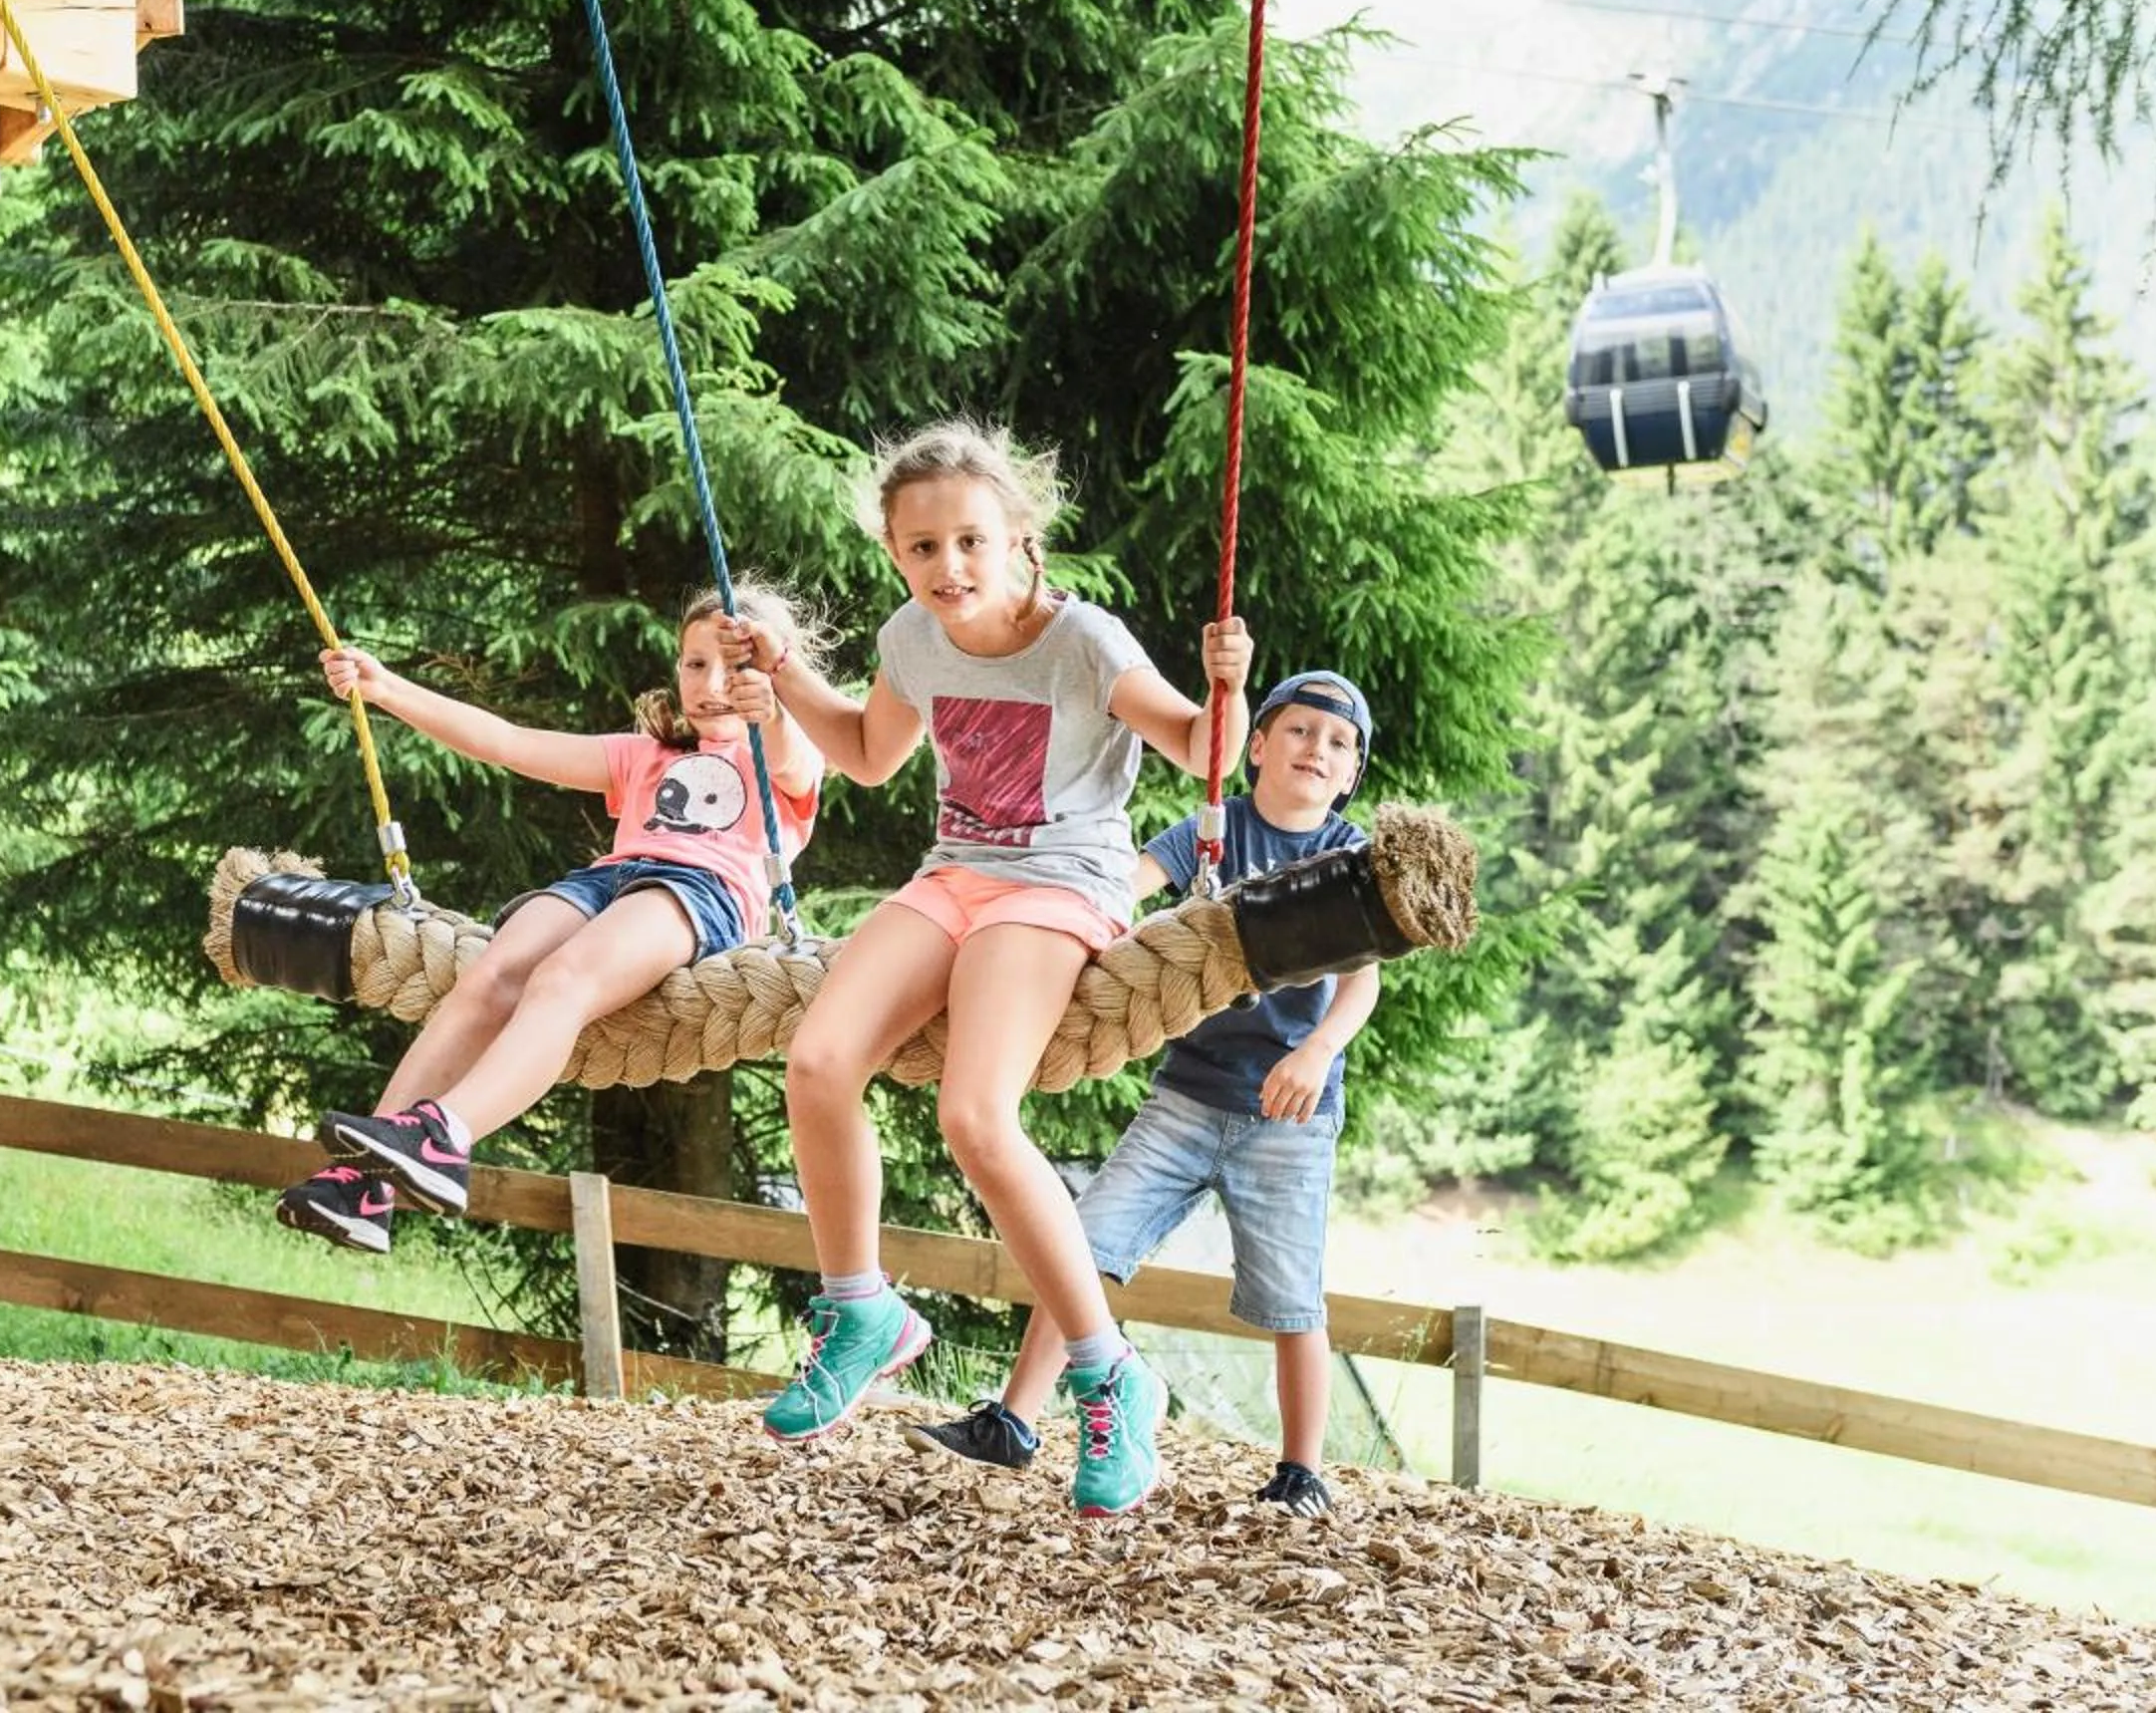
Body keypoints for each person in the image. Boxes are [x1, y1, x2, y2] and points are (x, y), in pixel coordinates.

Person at [721, 419, 1250, 1517]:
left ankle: (1109, 1372)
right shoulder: (913, 637)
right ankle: (862, 1307)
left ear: (1018, 538)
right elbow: (868, 754)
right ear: (894, 552)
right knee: (818, 1061)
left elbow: (1204, 751)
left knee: (974, 1114)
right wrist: (785, 673)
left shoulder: (1084, 641)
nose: (948, 566)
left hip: (1061, 882)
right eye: (923, 547)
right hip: (956, 873)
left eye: (970, 541)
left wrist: (1229, 690)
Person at [904, 671, 1381, 1518]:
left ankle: (1301, 1470)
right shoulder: (1215, 830)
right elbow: (1124, 887)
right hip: (1187, 1096)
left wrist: (1317, 1052)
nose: (1318, 749)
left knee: (1291, 1297)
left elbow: (1361, 982)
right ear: (1257, 746)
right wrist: (1071, 934)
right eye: (1300, 730)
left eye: (1338, 743)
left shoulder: (1349, 857)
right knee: (1083, 1246)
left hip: (1288, 1114)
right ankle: (1015, 1421)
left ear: (1351, 775)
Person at [277, 585, 825, 1254]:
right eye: (695, 664)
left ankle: (445, 1136)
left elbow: (791, 751)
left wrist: (773, 700)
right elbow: (508, 742)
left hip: (699, 893)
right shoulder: (645, 754)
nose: (711, 685)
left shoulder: (781, 758)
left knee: (562, 979)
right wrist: (386, 688)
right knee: (492, 974)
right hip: (608, 881)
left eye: (735, 668)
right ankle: (362, 1188)